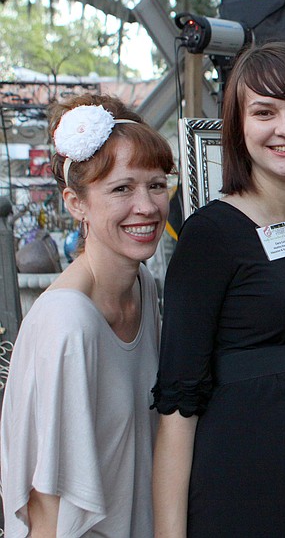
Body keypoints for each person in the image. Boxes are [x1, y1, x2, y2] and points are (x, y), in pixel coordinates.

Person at [151, 41, 285, 536]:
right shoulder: (210, 234)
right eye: (265, 112)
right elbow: (178, 407)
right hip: (243, 492)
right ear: (239, 127)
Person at [0, 93, 174, 536]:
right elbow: (46, 508)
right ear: (76, 203)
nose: (148, 206)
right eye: (122, 188)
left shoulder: (144, 287)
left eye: (156, 184)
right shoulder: (68, 323)